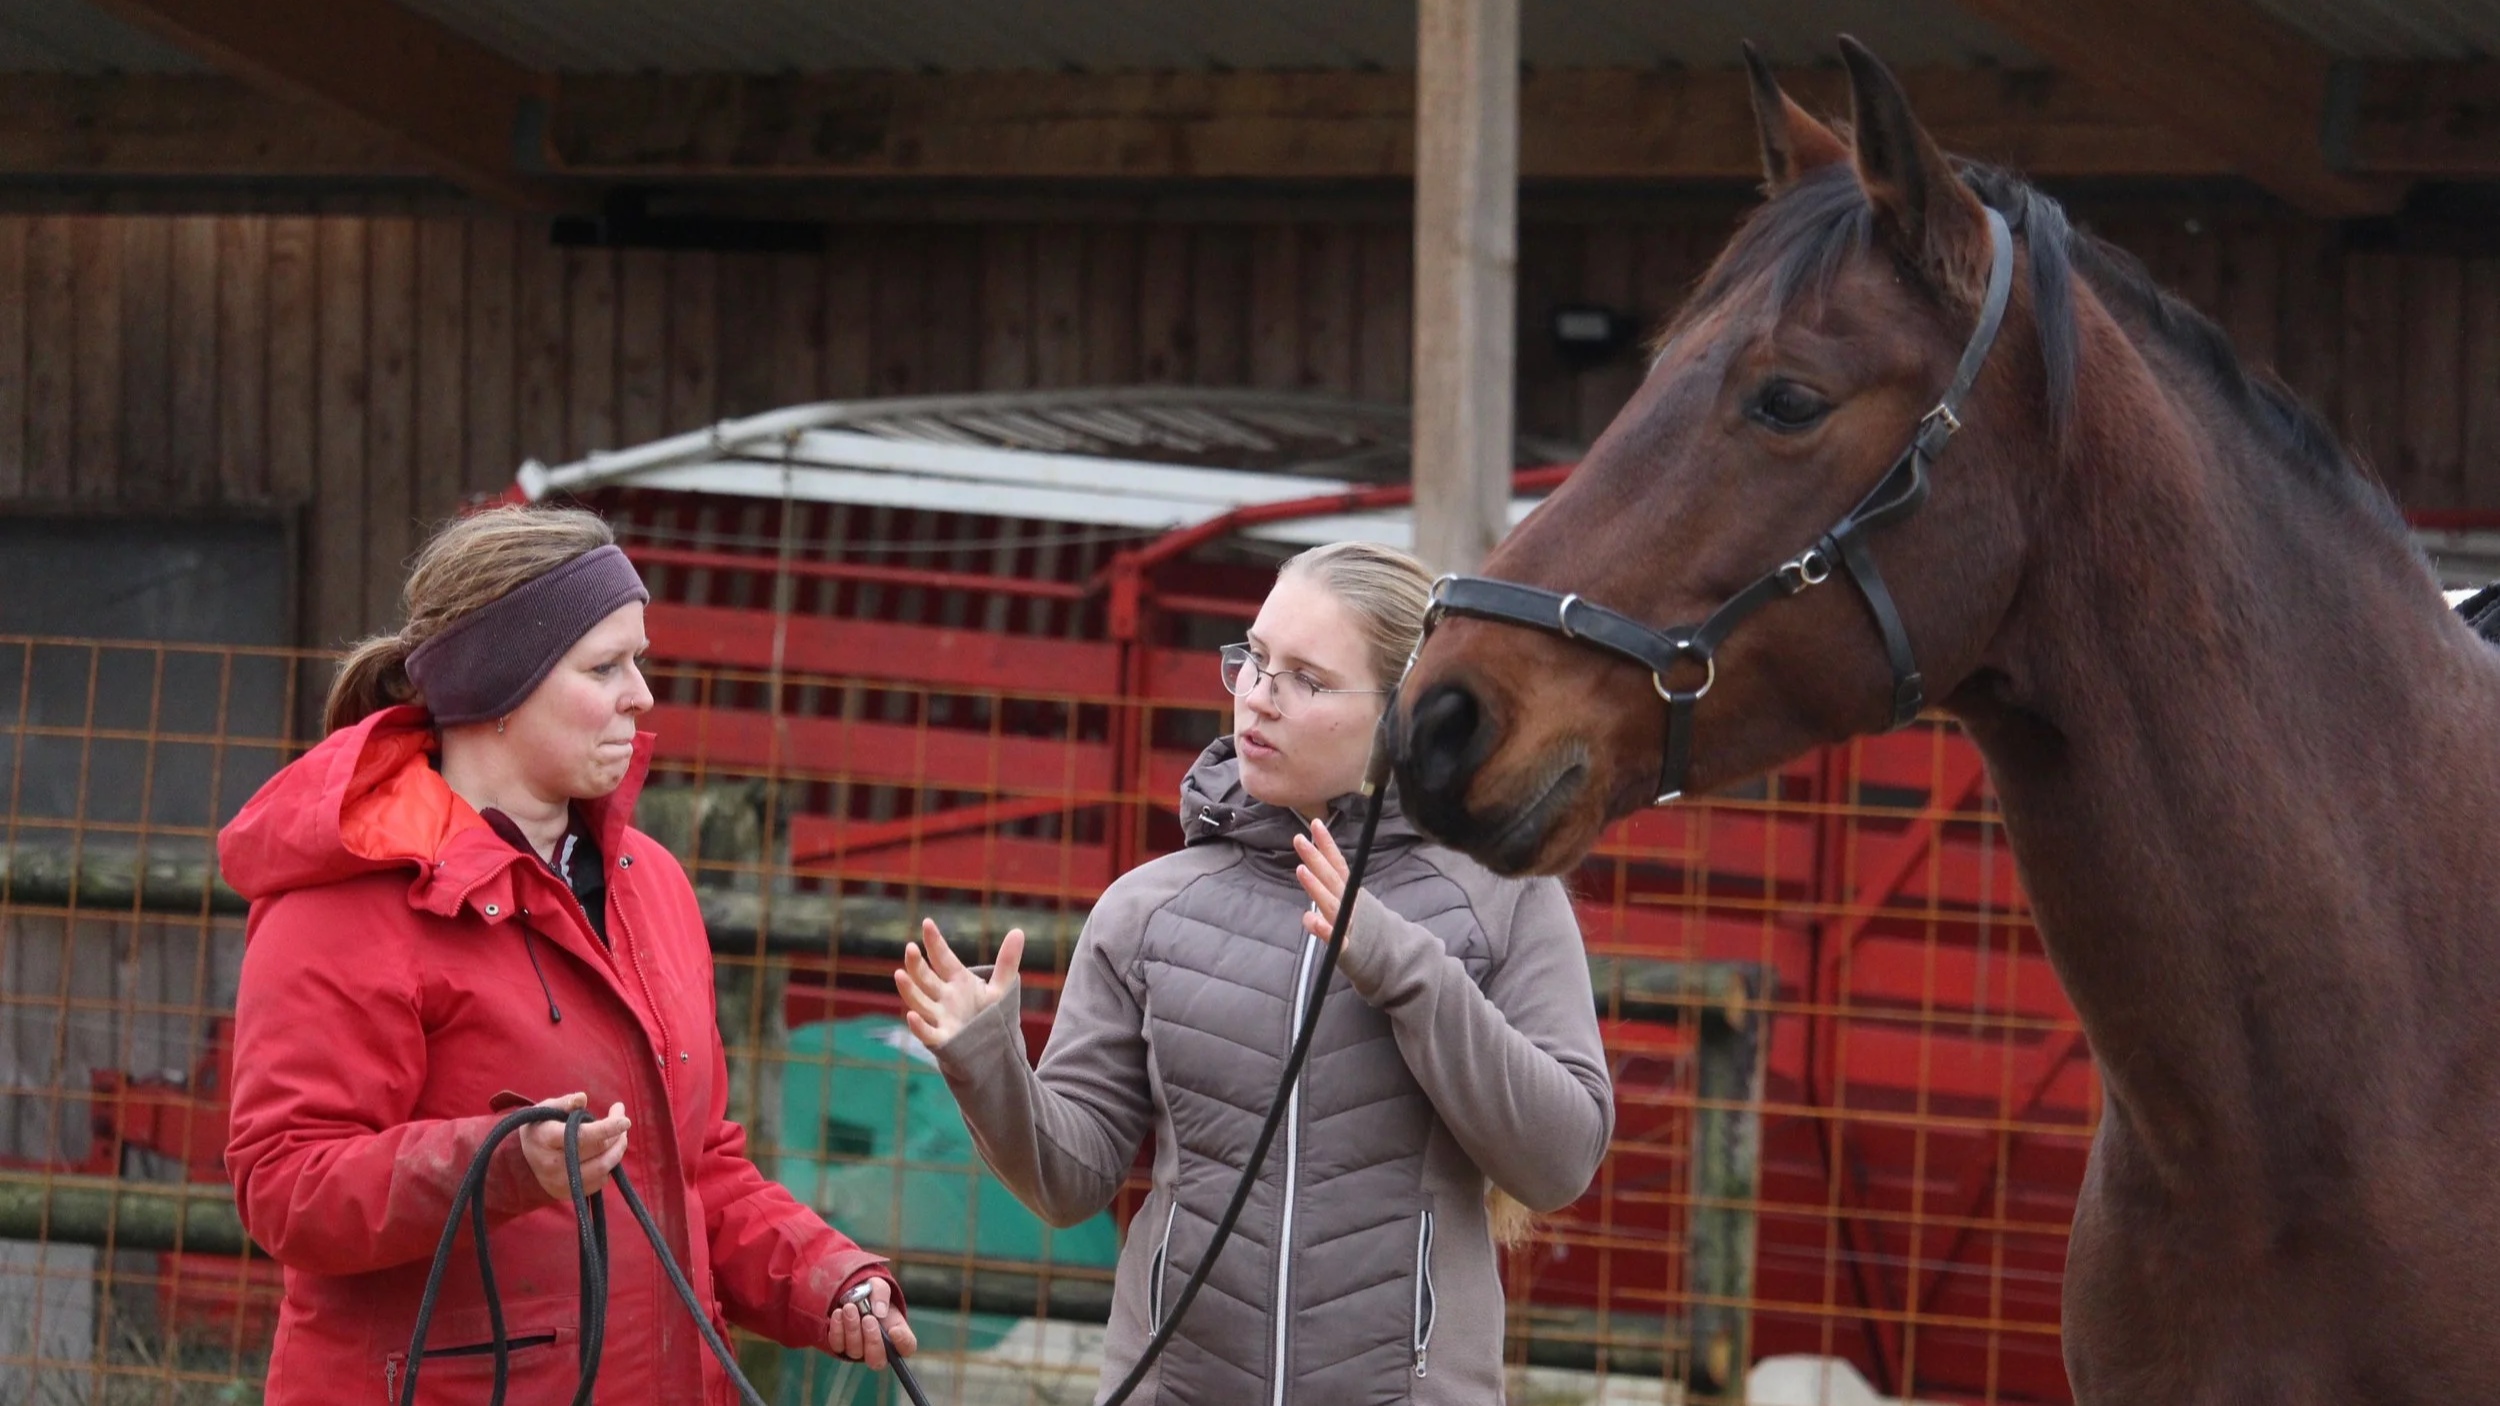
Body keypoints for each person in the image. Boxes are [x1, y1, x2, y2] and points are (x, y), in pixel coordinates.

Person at [219, 505, 916, 1405]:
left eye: (639, 661)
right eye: (604, 667)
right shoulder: (351, 897)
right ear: (498, 689)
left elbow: (695, 1168)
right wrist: (500, 1166)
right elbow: (287, 1187)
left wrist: (827, 1278)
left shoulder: (651, 884)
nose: (642, 695)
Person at [895, 541, 1614, 1404]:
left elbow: (1561, 1159)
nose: (1258, 700)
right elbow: (1068, 1181)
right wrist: (986, 1060)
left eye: (1306, 679)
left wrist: (1402, 969)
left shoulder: (1504, 900)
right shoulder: (1147, 909)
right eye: (1254, 661)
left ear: (1403, 712)